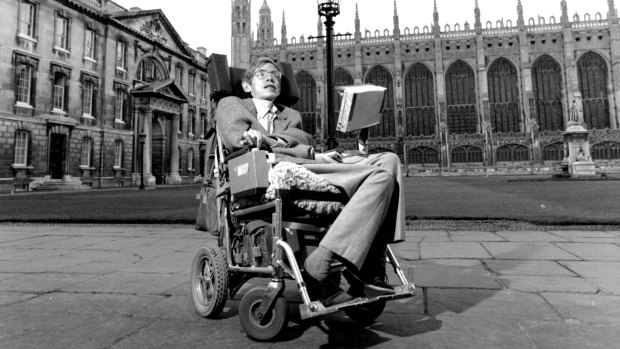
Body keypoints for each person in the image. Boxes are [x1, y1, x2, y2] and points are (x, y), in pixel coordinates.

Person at [215, 57, 405, 306]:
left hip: (312, 163)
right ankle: (338, 263)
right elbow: (236, 139)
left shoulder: (291, 115)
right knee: (380, 178)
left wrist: (270, 141)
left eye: (276, 76)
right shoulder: (232, 104)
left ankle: (372, 269)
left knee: (389, 162)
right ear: (247, 85)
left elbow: (302, 142)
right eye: (262, 74)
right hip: (268, 171)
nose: (271, 78)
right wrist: (286, 145)